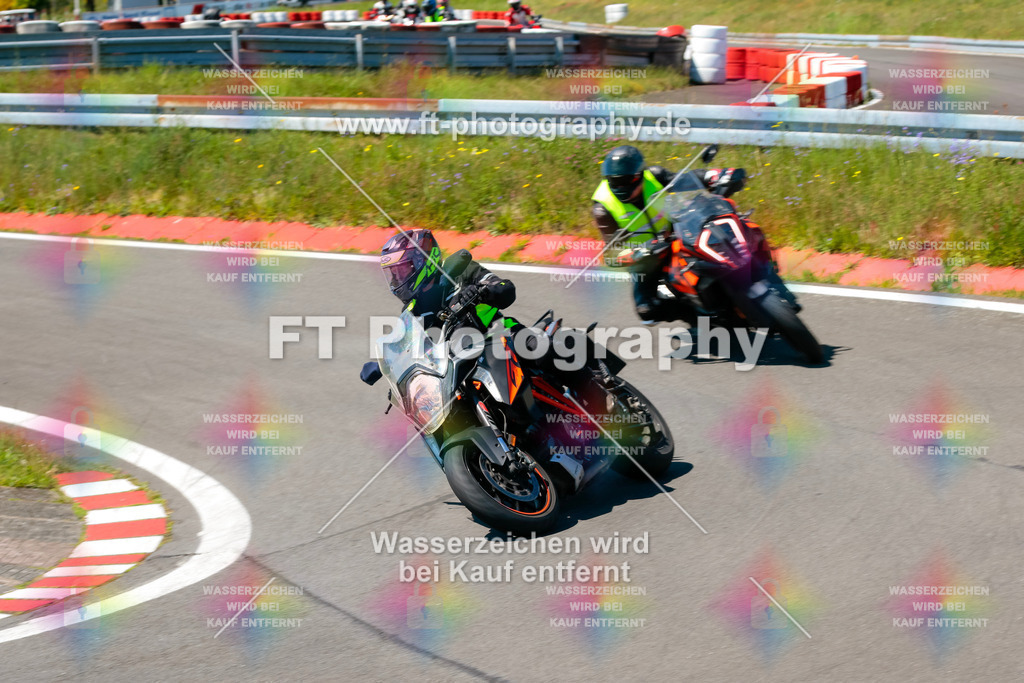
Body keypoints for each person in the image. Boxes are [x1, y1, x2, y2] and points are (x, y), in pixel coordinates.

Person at [591, 145, 747, 322]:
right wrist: (635, 253)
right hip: (647, 257)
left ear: (639, 175)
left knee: (724, 236)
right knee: (647, 311)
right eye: (615, 181)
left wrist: (714, 176)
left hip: (678, 232)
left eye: (626, 180)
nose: (621, 186)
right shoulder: (602, 208)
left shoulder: (654, 176)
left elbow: (685, 179)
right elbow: (611, 254)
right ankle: (701, 319)